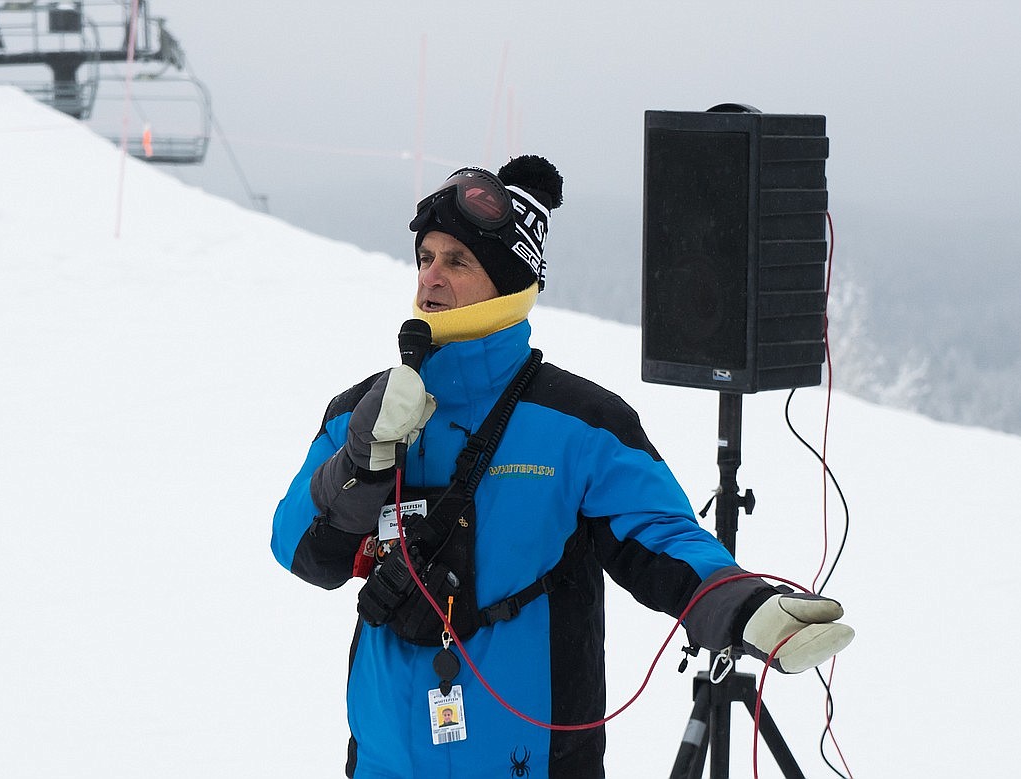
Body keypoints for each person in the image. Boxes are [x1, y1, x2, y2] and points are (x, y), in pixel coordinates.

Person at [271, 155, 853, 778]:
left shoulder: (579, 424)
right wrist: (361, 461)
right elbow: (298, 548)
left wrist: (740, 606)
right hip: (383, 763)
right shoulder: (364, 410)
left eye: (457, 261)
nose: (429, 279)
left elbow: (659, 536)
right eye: (425, 258)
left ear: (508, 282)